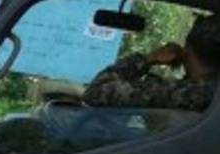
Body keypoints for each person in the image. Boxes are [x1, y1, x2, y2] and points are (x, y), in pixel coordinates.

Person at [83, 14, 220, 112]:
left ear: (187, 50)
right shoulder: (211, 92)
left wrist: (149, 59)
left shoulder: (183, 93)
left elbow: (96, 92)